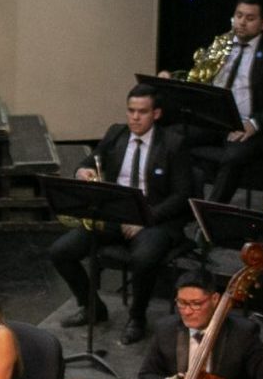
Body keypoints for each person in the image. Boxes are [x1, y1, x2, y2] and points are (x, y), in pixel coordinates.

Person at [47, 85, 195, 344]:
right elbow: (91, 160)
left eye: (142, 112)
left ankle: (137, 317)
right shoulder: (117, 134)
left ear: (156, 114)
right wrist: (82, 171)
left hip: (154, 220)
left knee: (144, 258)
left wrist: (145, 218)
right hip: (115, 215)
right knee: (61, 251)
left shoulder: (173, 144)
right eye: (131, 111)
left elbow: (182, 196)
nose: (135, 117)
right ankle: (92, 307)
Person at [184, 0, 263, 202]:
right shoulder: (219, 46)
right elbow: (200, 78)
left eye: (250, 18)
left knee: (234, 157)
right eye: (238, 16)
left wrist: (254, 124)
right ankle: (180, 206)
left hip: (251, 127)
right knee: (173, 137)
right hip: (215, 122)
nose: (242, 22)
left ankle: (210, 215)